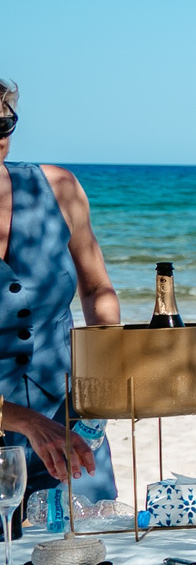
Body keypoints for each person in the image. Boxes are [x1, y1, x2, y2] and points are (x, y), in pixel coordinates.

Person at [0, 78, 119, 507]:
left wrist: (99, 394)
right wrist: (24, 421)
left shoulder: (58, 188)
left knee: (93, 557)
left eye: (3, 125)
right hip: (12, 432)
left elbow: (97, 289)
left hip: (73, 429)